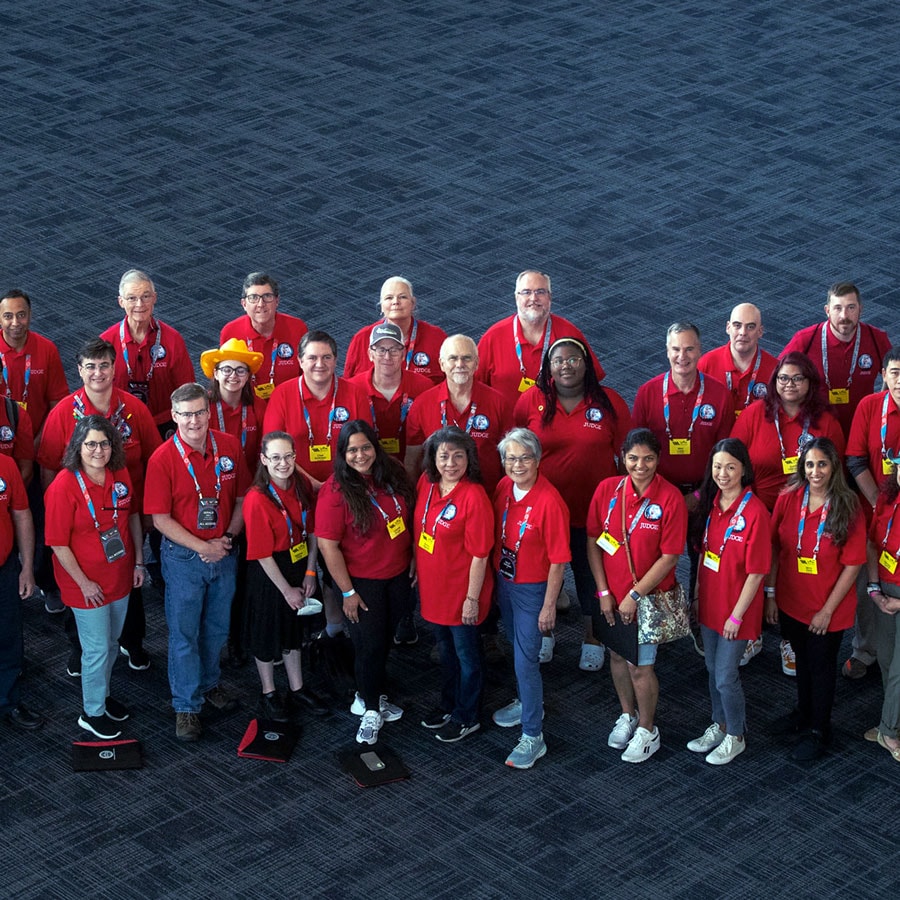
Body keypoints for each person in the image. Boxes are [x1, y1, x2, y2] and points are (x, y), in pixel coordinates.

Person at [38, 338, 160, 671]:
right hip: (79, 520)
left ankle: (131, 642)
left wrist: (148, 511)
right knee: (80, 588)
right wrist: (55, 511)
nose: (98, 372)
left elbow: (155, 460)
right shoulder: (64, 413)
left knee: (129, 579)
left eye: (104, 365)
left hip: (125, 513)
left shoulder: (135, 409)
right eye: (90, 366)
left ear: (114, 368)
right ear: (79, 370)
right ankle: (79, 649)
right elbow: (49, 465)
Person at [514, 336, 632, 670]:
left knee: (590, 578)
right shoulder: (531, 401)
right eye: (558, 360)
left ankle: (592, 635)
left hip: (592, 514)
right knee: (540, 576)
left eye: (573, 359)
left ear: (587, 364)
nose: (566, 366)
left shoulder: (609, 403)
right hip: (542, 512)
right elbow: (516, 452)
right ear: (548, 368)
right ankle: (545, 632)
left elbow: (627, 459)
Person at [145, 383, 251, 742]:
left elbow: (241, 499)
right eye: (185, 414)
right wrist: (202, 546)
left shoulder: (230, 446)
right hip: (184, 558)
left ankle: (209, 685)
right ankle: (186, 706)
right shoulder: (162, 459)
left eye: (199, 412)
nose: (194, 421)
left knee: (217, 628)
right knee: (184, 634)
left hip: (224, 553)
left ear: (209, 411)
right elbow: (159, 519)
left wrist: (228, 540)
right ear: (174, 418)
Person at [731, 352, 845, 672]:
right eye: (783, 378)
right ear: (774, 382)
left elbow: (836, 471)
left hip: (808, 512)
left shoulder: (825, 421)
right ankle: (752, 633)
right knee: (749, 569)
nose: (789, 384)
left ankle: (788, 640)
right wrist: (747, 505)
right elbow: (734, 460)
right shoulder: (756, 414)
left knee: (794, 574)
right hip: (759, 506)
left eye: (797, 378)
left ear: (809, 383)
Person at [587, 428, 688, 763]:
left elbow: (670, 557)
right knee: (617, 657)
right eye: (633, 458)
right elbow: (594, 542)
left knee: (640, 667)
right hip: (611, 597)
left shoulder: (670, 498)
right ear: (623, 457)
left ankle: (648, 729)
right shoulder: (606, 490)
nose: (640, 465)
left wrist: (634, 594)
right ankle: (627, 715)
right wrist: (603, 592)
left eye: (648, 459)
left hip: (646, 599)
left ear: (658, 459)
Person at [632, 322, 733, 653]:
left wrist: (701, 495)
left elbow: (727, 455)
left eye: (689, 349)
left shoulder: (718, 394)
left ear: (700, 351)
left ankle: (700, 619)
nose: (682, 356)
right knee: (653, 557)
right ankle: (653, 619)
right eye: (676, 349)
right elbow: (636, 452)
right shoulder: (649, 392)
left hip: (705, 494)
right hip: (660, 494)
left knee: (705, 560)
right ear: (667, 351)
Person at [316, 420, 415, 745]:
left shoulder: (393, 473)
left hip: (397, 576)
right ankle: (371, 709)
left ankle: (366, 693)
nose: (360, 455)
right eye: (352, 450)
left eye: (366, 447)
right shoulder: (335, 490)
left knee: (383, 641)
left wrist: (413, 556)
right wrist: (347, 592)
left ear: (376, 447)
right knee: (369, 646)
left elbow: (410, 517)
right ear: (342, 454)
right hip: (361, 583)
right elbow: (328, 546)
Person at [45, 416, 143, 739]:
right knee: (97, 648)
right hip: (85, 585)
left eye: (104, 443)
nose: (98, 450)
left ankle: (102, 695)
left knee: (112, 643)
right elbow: (58, 543)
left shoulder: (120, 475)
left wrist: (139, 563)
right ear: (78, 447)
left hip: (120, 577)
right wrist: (84, 583)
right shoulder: (63, 485)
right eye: (90, 444)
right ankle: (92, 712)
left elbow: (130, 519)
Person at [766, 438, 865, 761]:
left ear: (834, 466)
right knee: (802, 662)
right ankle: (803, 713)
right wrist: (771, 595)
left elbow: (852, 566)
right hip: (791, 601)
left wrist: (826, 611)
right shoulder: (789, 498)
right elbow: (776, 549)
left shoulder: (847, 505)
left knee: (821, 669)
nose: (815, 471)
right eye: (809, 464)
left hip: (827, 610)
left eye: (822, 464)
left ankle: (819, 730)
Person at [687, 438, 771, 765]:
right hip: (709, 602)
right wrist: (695, 596)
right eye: (717, 466)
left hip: (737, 610)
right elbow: (702, 557)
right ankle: (718, 723)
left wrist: (736, 617)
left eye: (730, 467)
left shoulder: (755, 512)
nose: (723, 474)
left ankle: (736, 734)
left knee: (725, 675)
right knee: (710, 667)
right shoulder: (711, 505)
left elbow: (757, 572)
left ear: (744, 470)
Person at [491, 428, 570, 769]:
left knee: (526, 660)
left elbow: (558, 561)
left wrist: (550, 605)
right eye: (511, 457)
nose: (517, 464)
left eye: (525, 457)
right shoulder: (503, 488)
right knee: (514, 644)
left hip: (533, 589)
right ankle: (526, 701)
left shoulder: (551, 502)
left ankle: (533, 736)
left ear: (538, 460)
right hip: (505, 581)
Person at [243, 431, 329, 721]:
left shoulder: (301, 483)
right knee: (267, 633)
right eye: (276, 458)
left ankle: (297, 688)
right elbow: (261, 554)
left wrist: (310, 570)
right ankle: (268, 692)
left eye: (288, 456)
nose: (283, 463)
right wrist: (286, 590)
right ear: (264, 460)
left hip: (299, 561)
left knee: (294, 631)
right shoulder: (256, 499)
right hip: (270, 573)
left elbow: (314, 529)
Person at [415, 427, 493, 743]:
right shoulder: (427, 485)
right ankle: (448, 705)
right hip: (435, 591)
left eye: (458, 456)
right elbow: (421, 530)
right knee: (446, 653)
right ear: (433, 458)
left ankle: (467, 715)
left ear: (468, 459)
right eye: (444, 456)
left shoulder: (474, 496)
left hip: (462, 593)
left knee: (467, 657)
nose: (450, 463)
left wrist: (472, 599)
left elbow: (480, 554)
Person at [199, 338, 269, 668]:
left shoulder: (257, 408)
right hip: (214, 498)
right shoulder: (204, 409)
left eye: (240, 370)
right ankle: (220, 638)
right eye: (226, 369)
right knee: (218, 574)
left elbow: (263, 454)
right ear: (215, 373)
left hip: (250, 498)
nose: (233, 376)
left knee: (245, 575)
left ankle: (242, 637)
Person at [0, 287, 69, 616]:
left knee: (40, 524)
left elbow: (58, 404)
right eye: (8, 316)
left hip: (35, 448)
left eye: (21, 315)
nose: (16, 323)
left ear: (31, 316)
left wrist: (37, 442)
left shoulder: (46, 350)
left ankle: (45, 581)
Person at [844, 346, 900, 680]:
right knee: (870, 587)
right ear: (883, 376)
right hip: (876, 518)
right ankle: (865, 650)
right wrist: (880, 502)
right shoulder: (870, 407)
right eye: (895, 373)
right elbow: (856, 461)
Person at [263, 330, 371, 489]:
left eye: (326, 357)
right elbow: (271, 449)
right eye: (312, 358)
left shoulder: (355, 394)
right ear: (300, 361)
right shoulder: (282, 394)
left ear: (335, 361)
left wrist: (336, 486)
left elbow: (366, 446)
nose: (320, 364)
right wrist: (311, 484)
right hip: (294, 484)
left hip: (347, 485)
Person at [781, 281, 891, 437]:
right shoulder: (805, 340)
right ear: (827, 311)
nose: (844, 316)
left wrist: (881, 404)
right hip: (817, 428)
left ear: (860, 309)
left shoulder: (876, 338)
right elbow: (778, 378)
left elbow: (895, 375)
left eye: (851, 308)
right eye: (837, 308)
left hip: (862, 427)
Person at [406, 334, 511, 495]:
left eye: (466, 358)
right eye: (453, 358)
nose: (460, 364)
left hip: (487, 496)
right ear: (442, 364)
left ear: (476, 364)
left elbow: (509, 458)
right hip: (436, 500)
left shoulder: (499, 403)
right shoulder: (422, 404)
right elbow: (412, 462)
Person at [476, 270, 603, 402]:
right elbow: (472, 387)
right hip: (505, 422)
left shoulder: (569, 333)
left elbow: (592, 381)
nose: (533, 298)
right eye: (526, 292)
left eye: (540, 292)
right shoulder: (493, 337)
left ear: (550, 297)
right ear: (516, 297)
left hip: (555, 421)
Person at [99, 269, 195, 434]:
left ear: (155, 298)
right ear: (121, 302)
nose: (139, 304)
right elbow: (96, 390)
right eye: (132, 298)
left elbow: (187, 390)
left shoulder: (173, 339)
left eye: (146, 296)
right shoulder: (106, 342)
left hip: (165, 424)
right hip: (119, 424)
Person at [346, 322, 433, 460]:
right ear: (370, 354)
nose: (387, 357)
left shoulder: (424, 387)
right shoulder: (352, 388)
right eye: (381, 350)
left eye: (394, 350)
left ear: (403, 354)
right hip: (366, 465)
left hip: (413, 463)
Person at [0, 450, 41, 731]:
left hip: (4, 570)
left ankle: (8, 700)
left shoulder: (5, 464)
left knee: (9, 636)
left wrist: (27, 567)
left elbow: (21, 514)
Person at [219, 273, 308, 401]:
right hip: (247, 404)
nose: (261, 304)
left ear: (277, 301)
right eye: (253, 298)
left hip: (288, 402)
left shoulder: (297, 328)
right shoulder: (230, 332)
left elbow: (307, 375)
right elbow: (225, 379)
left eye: (267, 296)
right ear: (244, 304)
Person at [343, 276, 447, 384]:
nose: (395, 302)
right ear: (382, 306)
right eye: (389, 298)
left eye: (402, 297)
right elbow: (347, 389)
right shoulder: (362, 338)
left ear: (413, 303)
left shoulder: (437, 337)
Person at [865, 454, 900, 763]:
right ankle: (893, 722)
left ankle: (889, 730)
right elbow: (873, 544)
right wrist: (875, 590)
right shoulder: (887, 500)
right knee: (887, 659)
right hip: (884, 591)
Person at [698, 302, 778, 417]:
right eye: (737, 325)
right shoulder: (706, 364)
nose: (743, 332)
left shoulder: (775, 369)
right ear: (728, 328)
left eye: (750, 327)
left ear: (760, 332)